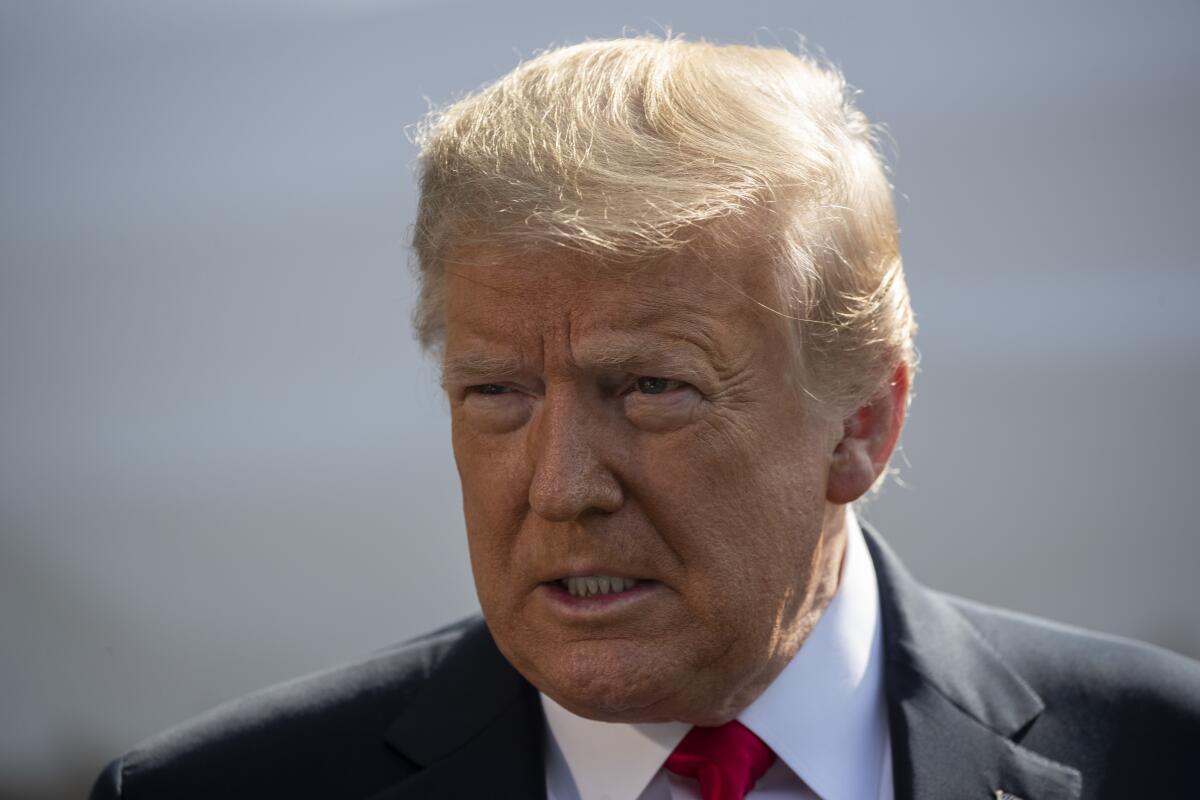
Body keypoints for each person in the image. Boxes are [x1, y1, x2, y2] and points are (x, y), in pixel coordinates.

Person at [90, 36, 1200, 800]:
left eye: (651, 388)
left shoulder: (1165, 753)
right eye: (497, 394)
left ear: (864, 418)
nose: (563, 481)